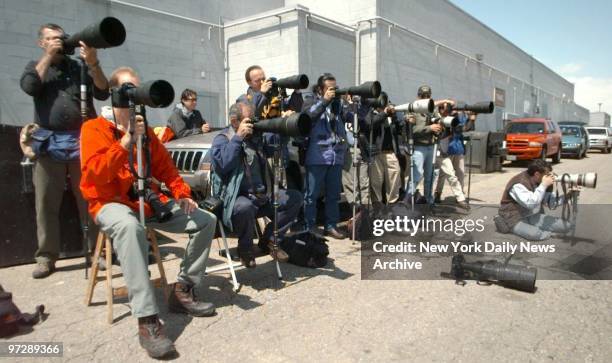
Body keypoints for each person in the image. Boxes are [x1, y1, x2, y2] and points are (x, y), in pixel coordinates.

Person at [80, 67, 218, 359]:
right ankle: (147, 320)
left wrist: (182, 195)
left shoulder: (146, 130)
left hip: (145, 202)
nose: (137, 94)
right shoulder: (93, 128)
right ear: (116, 94)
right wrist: (126, 142)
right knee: (131, 229)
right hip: (108, 203)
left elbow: (168, 170)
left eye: (138, 88)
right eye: (130, 89)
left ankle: (183, 290)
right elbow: (95, 176)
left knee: (206, 221)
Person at [20, 23, 109, 279]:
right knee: (46, 202)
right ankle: (46, 257)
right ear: (42, 42)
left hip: (83, 142)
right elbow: (29, 87)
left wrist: (93, 63)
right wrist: (48, 56)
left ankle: (97, 253)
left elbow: (103, 91)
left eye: (61, 38)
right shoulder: (36, 67)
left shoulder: (79, 67)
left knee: (90, 201)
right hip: (49, 143)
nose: (59, 42)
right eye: (51, 39)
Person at [210, 102, 302, 267]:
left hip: (261, 197)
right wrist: (238, 138)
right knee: (244, 207)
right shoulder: (223, 139)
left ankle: (269, 240)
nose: (252, 124)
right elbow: (223, 165)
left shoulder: (255, 138)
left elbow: (274, 147)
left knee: (294, 198)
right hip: (237, 200)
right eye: (248, 121)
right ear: (234, 121)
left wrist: (286, 125)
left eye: (253, 120)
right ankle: (245, 249)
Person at [303, 73, 352, 239]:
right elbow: (308, 117)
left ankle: (330, 226)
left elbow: (351, 118)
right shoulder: (310, 101)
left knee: (333, 195)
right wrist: (324, 101)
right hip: (317, 155)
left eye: (335, 88)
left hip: (335, 156)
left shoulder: (337, 104)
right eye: (330, 88)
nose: (334, 91)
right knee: (311, 195)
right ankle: (309, 227)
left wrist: (346, 103)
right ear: (320, 89)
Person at [497, 159, 572, 240]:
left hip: (531, 215)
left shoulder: (539, 182)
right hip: (513, 218)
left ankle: (535, 228)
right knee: (535, 233)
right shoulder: (518, 183)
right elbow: (531, 204)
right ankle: (546, 234)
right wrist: (543, 185)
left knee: (566, 226)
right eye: (546, 175)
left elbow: (551, 203)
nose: (549, 177)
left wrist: (569, 196)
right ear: (537, 174)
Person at [402, 85, 452, 205]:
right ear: (418, 96)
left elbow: (439, 123)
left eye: (428, 96)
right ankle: (409, 202)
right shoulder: (412, 108)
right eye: (423, 96)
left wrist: (440, 126)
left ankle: (429, 202)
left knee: (430, 176)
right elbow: (412, 131)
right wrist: (429, 128)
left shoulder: (432, 109)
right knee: (416, 175)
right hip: (419, 147)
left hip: (431, 146)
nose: (425, 98)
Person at [364, 93, 402, 205]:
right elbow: (370, 124)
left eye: (385, 100)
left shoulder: (391, 115)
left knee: (394, 179)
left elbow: (400, 130)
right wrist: (384, 113)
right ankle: (378, 206)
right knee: (376, 182)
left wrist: (396, 118)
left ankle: (392, 204)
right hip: (376, 153)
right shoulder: (370, 113)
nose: (384, 103)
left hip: (390, 152)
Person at [435, 111, 476, 200]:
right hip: (447, 150)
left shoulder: (459, 118)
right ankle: (438, 193)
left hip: (458, 149)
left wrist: (471, 119)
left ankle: (460, 195)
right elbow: (463, 128)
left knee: (460, 173)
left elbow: (469, 128)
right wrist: (471, 118)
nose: (455, 110)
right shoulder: (446, 120)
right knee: (444, 174)